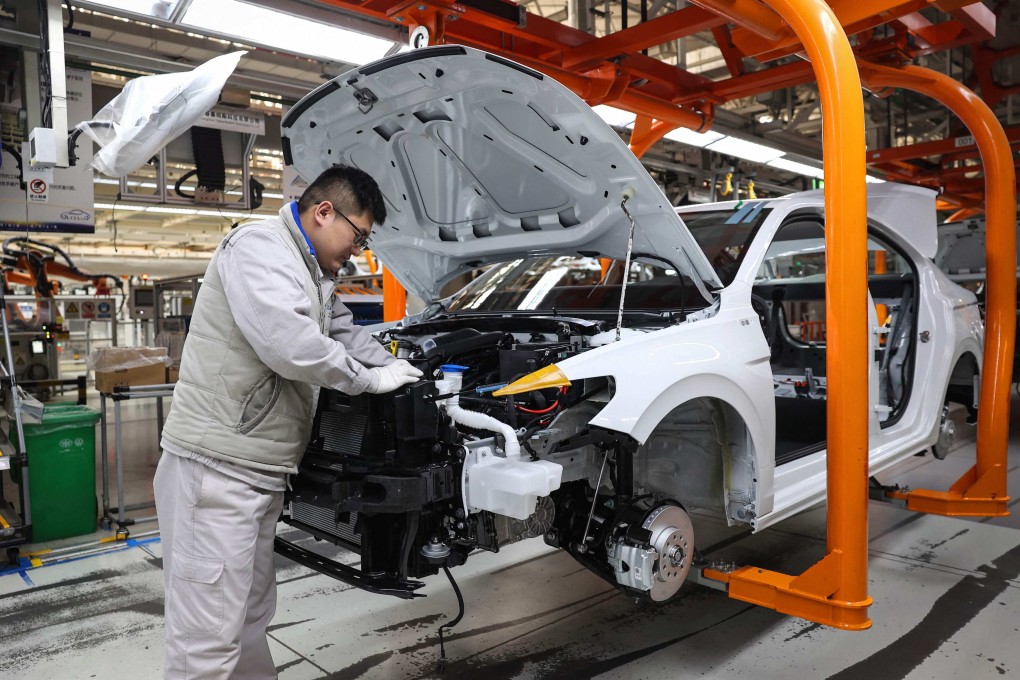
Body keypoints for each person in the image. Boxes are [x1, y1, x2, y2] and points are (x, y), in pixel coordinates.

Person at [154, 164, 422, 679]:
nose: (359, 250)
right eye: (358, 235)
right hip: (215, 470)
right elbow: (289, 344)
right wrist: (368, 382)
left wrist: (394, 366)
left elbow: (343, 332)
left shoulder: (312, 271)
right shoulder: (258, 248)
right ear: (324, 212)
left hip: (257, 469)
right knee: (205, 641)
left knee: (249, 618)